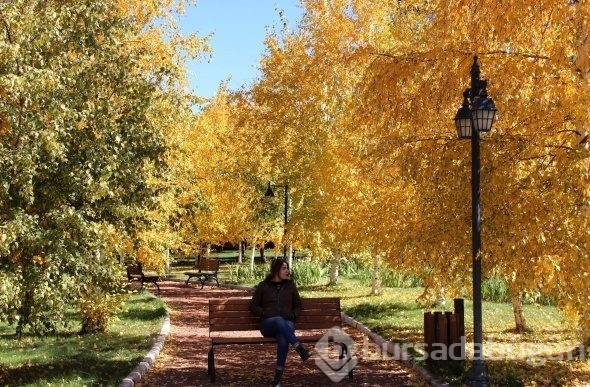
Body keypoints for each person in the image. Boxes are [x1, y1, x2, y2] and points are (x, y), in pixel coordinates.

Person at [250, 258, 312, 387]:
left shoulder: (290, 285)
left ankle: (277, 379)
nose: (287, 271)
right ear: (276, 270)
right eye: (284, 268)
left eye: (287, 268)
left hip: (286, 324)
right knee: (278, 320)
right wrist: (263, 312)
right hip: (267, 324)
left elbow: (298, 305)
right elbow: (253, 305)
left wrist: (293, 314)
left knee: (283, 338)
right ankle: (299, 348)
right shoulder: (263, 286)